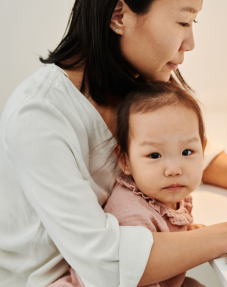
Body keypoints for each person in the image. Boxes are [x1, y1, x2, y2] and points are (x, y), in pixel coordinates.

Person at [0, 0, 227, 286]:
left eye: (193, 21)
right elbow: (104, 262)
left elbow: (180, 148)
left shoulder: (130, 79)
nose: (190, 42)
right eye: (182, 21)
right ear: (119, 16)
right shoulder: (39, 117)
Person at [49, 81, 209, 287]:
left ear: (203, 149)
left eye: (187, 152)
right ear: (124, 160)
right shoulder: (133, 215)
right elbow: (133, 275)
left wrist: (186, 236)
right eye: (154, 155)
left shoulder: (170, 192)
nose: (174, 169)